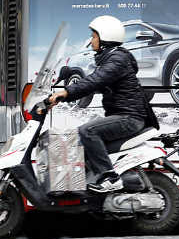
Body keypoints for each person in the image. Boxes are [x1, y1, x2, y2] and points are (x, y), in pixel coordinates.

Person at [47, 15, 157, 193]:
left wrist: (65, 92)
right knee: (80, 139)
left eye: (93, 36)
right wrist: (62, 97)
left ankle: (110, 178)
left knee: (87, 131)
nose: (91, 41)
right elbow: (92, 84)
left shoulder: (117, 60)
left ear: (105, 37)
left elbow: (94, 81)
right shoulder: (111, 58)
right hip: (123, 116)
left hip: (129, 118)